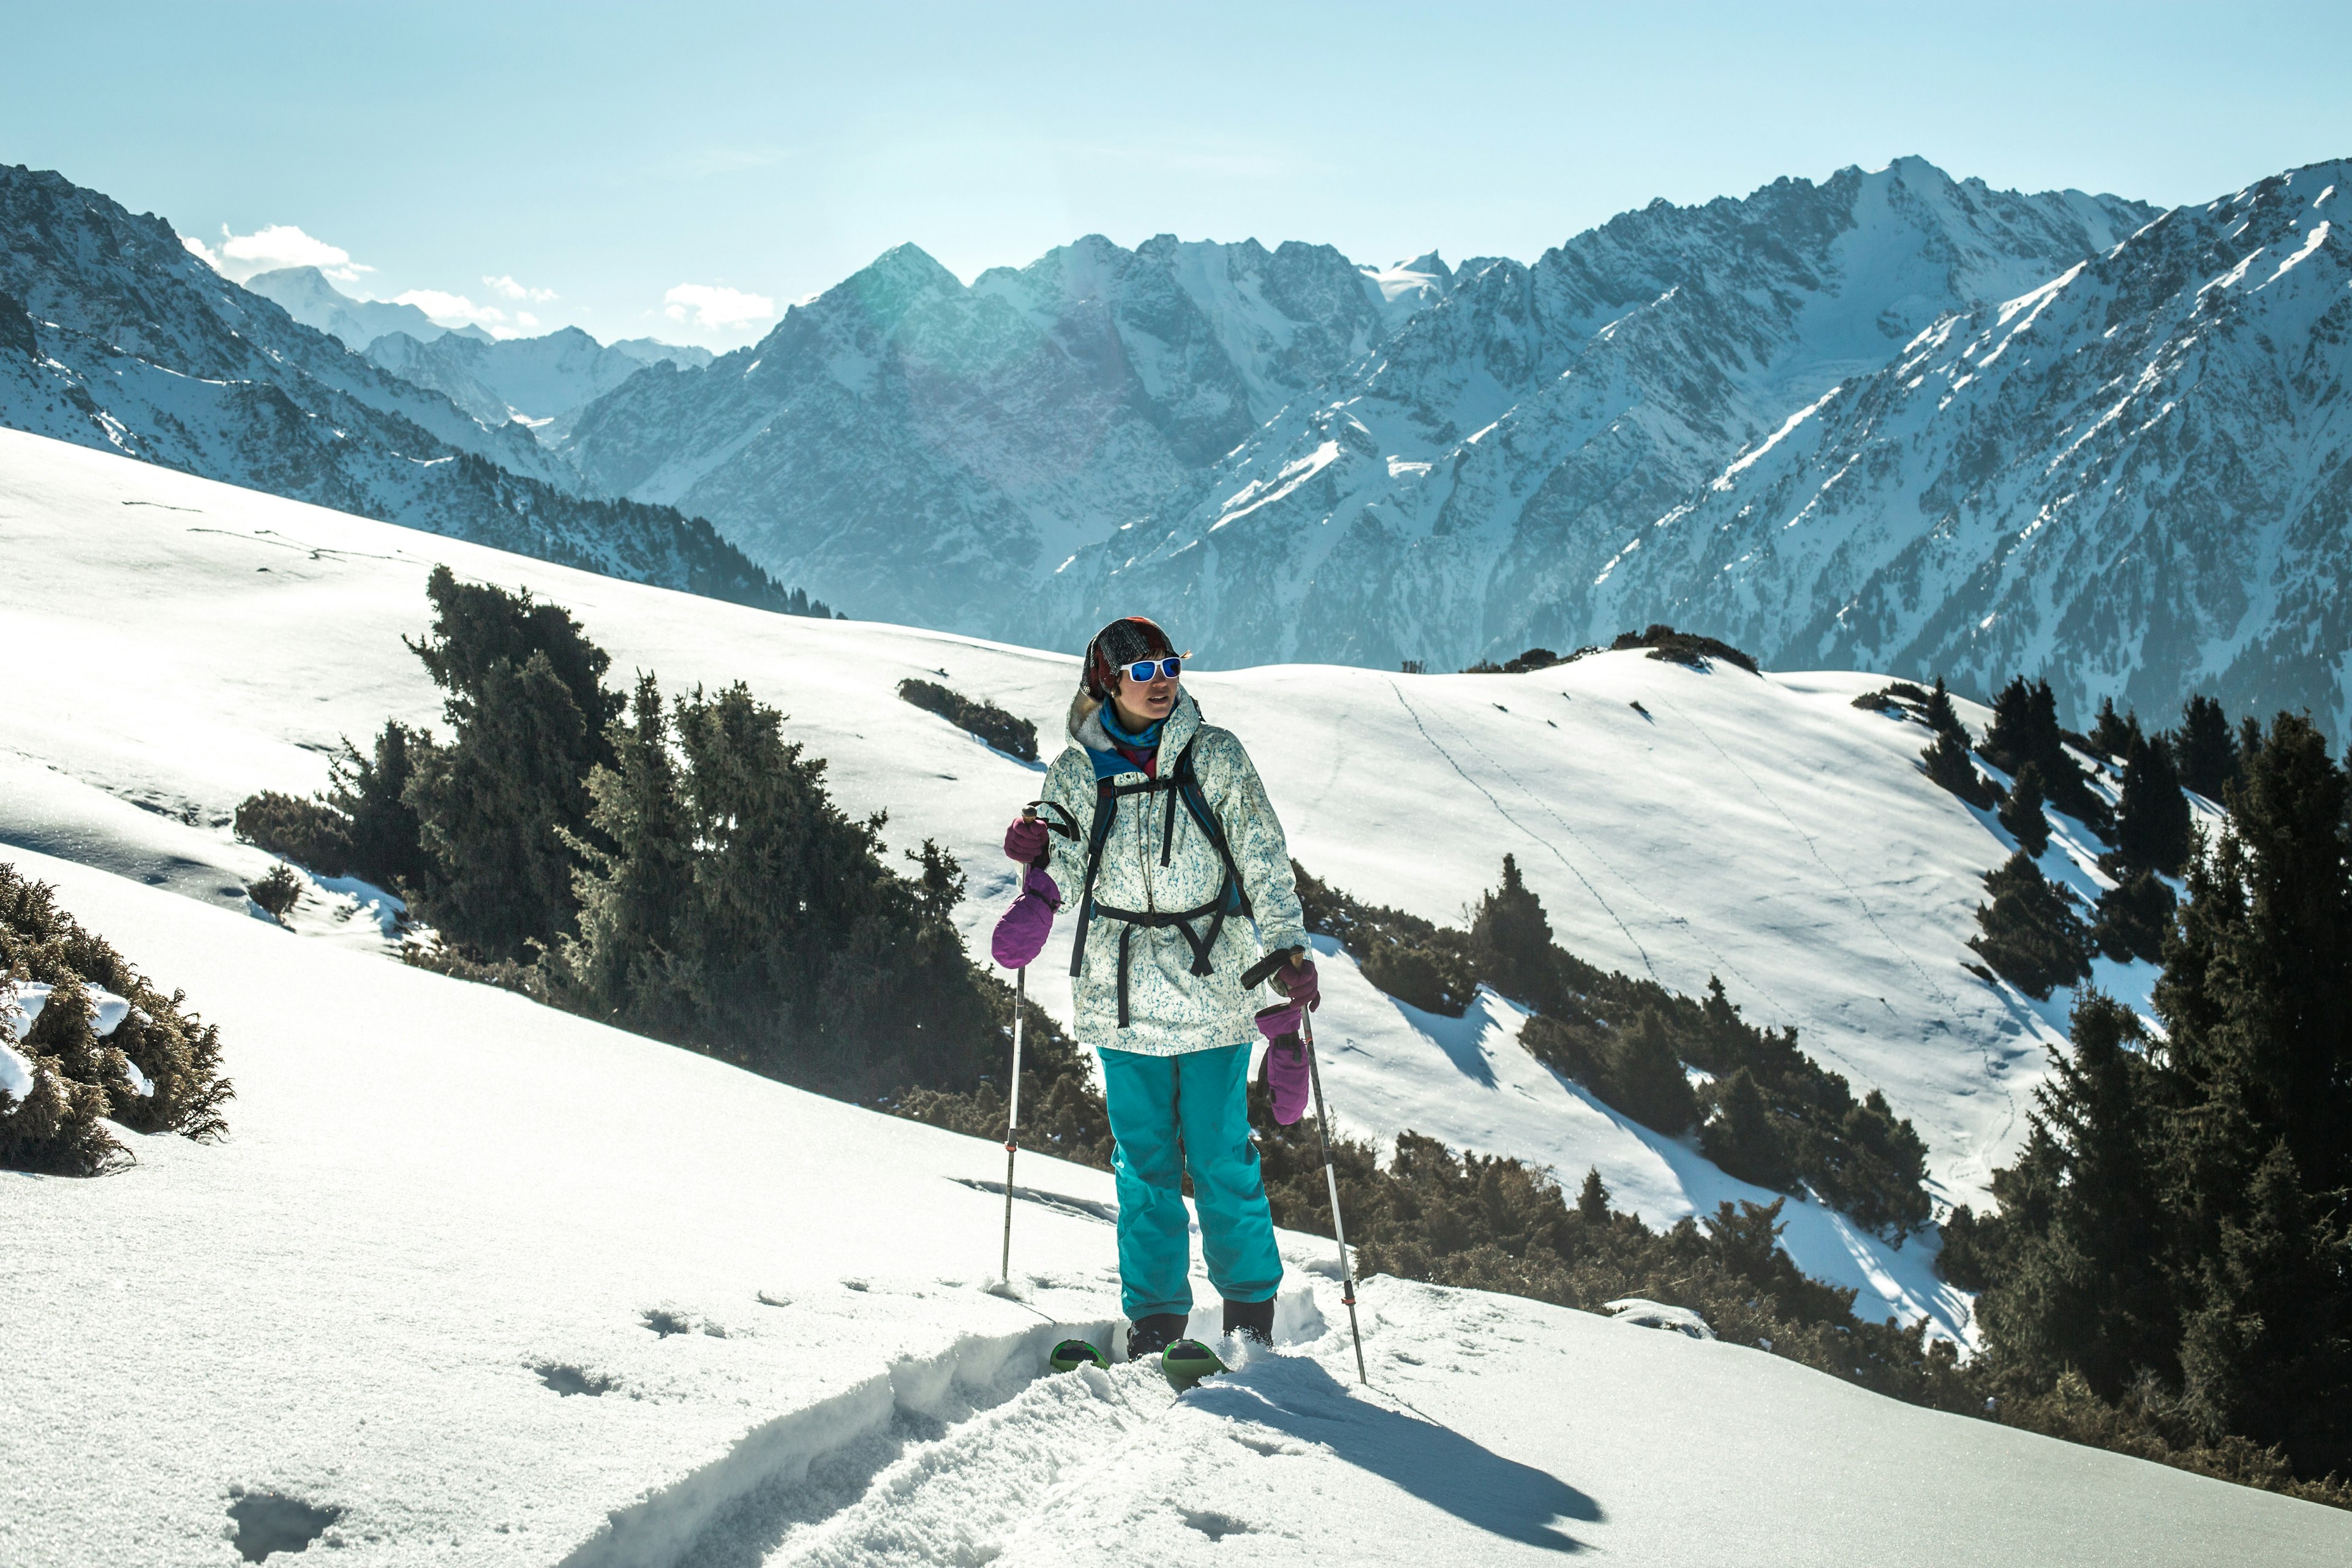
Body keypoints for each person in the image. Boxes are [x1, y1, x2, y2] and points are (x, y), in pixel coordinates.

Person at [992, 615, 1319, 1360]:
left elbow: (1263, 859)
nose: (1162, 680)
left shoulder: (1216, 756)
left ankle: (1248, 1325)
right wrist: (1041, 883)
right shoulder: (1078, 771)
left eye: (1170, 664)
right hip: (1122, 995)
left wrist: (1289, 948)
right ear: (1107, 681)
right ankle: (1157, 1326)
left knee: (1219, 1156)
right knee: (1143, 1170)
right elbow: (1068, 860)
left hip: (1215, 991)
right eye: (1142, 672)